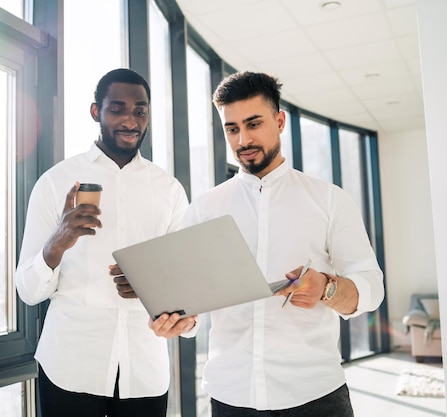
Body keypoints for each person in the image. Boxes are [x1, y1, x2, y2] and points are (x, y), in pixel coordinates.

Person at [152, 71, 385, 416]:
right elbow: (191, 304)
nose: (243, 139)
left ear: (279, 121)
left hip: (315, 396)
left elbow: (372, 288)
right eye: (232, 128)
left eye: (254, 123)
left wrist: (326, 288)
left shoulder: (330, 200)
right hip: (231, 396)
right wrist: (180, 322)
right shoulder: (204, 208)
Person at [15, 68, 195, 417]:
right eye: (118, 109)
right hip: (69, 367)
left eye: (140, 111)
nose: (130, 120)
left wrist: (150, 286)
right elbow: (28, 291)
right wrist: (58, 242)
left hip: (144, 371)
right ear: (97, 111)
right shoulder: (55, 183)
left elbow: (187, 283)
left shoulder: (169, 190)